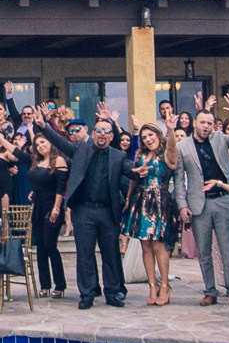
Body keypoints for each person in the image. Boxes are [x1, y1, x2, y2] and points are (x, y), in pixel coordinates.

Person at [35, 103, 130, 309]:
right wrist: (44, 126)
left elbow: (132, 170)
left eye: (106, 131)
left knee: (111, 254)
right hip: (84, 210)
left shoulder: (118, 156)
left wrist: (141, 170)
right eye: (99, 131)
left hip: (107, 211)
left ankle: (113, 292)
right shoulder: (80, 149)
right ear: (92, 133)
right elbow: (59, 141)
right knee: (85, 253)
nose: (102, 135)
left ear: (112, 136)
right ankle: (87, 293)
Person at [175, 108, 229, 307]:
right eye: (203, 122)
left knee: (227, 248)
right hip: (199, 203)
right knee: (204, 251)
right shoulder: (182, 147)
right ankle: (210, 290)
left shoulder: (220, 139)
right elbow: (179, 179)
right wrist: (182, 205)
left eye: (209, 123)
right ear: (195, 123)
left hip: (222, 199)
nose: (206, 127)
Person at [122, 120, 181, 306]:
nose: (148, 139)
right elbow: (134, 178)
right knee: (145, 247)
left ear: (158, 135)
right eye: (144, 136)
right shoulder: (140, 154)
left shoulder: (167, 154)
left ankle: (165, 285)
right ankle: (152, 285)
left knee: (159, 246)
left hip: (160, 200)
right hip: (140, 200)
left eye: (151, 135)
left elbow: (172, 148)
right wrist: (128, 199)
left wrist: (171, 130)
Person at [27, 131, 68, 297]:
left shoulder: (58, 160)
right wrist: (33, 191)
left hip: (52, 206)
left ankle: (60, 284)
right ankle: (44, 285)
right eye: (37, 144)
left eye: (43, 142)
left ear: (51, 143)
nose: (40, 146)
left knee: (50, 245)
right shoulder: (38, 162)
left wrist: (57, 208)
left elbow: (60, 187)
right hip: (38, 206)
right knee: (41, 247)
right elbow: (39, 182)